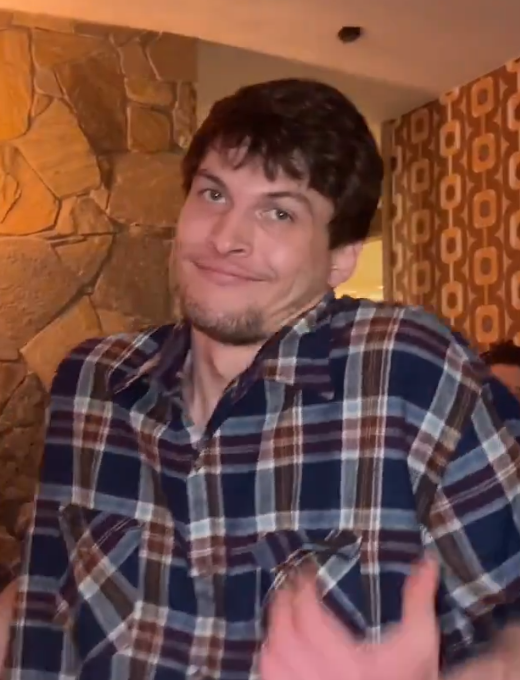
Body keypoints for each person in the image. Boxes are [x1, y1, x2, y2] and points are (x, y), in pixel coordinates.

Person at [4, 78, 520, 680]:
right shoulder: (92, 384)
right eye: (213, 194)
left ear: (341, 256)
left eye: (279, 212)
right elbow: (41, 611)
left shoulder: (410, 369)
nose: (226, 238)